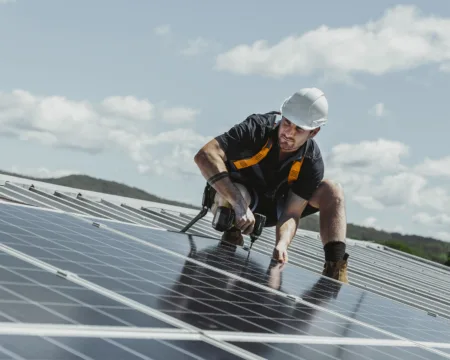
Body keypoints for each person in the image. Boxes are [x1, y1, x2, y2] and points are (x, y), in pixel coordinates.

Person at [193, 88, 349, 283]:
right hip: (237, 200)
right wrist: (240, 205)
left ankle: (335, 272)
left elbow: (291, 213)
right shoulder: (257, 128)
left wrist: (282, 244)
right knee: (239, 193)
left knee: (333, 190)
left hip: (276, 209)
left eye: (299, 129)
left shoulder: (311, 161)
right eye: (287, 123)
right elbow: (205, 155)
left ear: (314, 132)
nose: (288, 133)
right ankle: (231, 237)